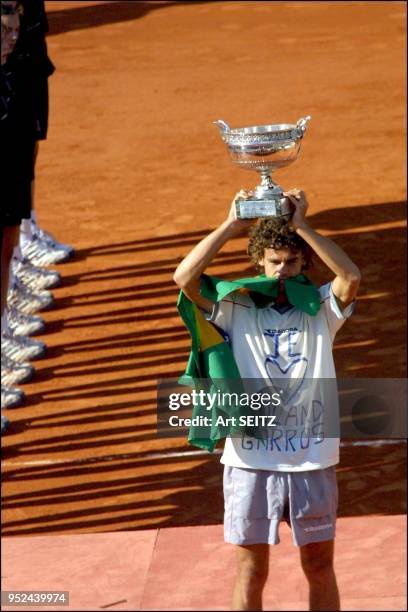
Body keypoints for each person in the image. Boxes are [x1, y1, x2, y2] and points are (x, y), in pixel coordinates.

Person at [173, 188, 361, 611]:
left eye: (291, 262)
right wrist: (231, 224)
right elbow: (184, 279)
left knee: (318, 565)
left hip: (312, 457)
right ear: (259, 260)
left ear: (303, 263)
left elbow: (350, 279)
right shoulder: (235, 307)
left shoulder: (320, 309)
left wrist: (302, 227)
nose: (281, 270)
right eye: (273, 261)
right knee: (251, 569)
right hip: (250, 457)